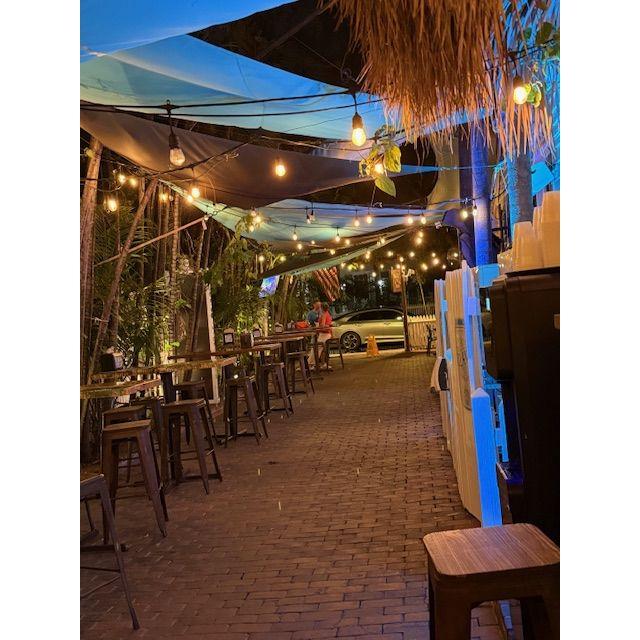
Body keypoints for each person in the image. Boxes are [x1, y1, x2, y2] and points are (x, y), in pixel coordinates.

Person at [309, 302, 333, 369]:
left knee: (317, 347)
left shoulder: (324, 315)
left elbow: (322, 325)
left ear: (321, 308)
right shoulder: (327, 314)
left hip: (325, 334)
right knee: (319, 348)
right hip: (325, 333)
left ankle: (311, 363)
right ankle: (321, 363)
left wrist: (318, 327)